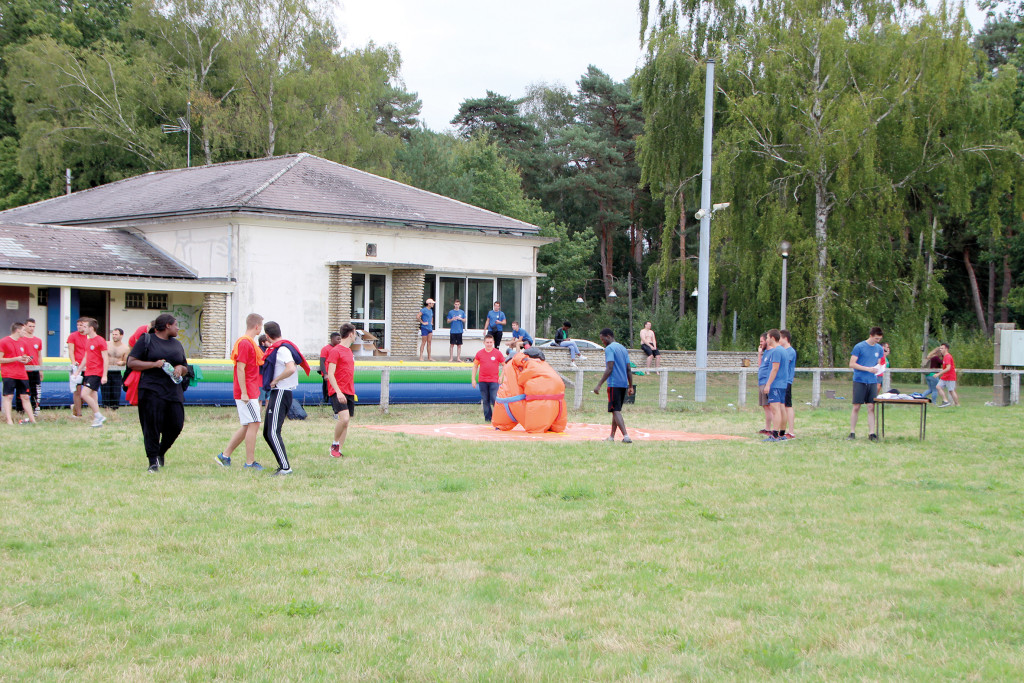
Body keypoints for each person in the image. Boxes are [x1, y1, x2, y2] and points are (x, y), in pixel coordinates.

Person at [127, 313, 188, 472]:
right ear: (167, 325)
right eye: (175, 325)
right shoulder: (146, 340)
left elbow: (185, 366)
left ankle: (160, 452)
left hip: (173, 390)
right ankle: (152, 461)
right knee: (152, 426)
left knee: (176, 424)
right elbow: (131, 362)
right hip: (151, 390)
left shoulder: (177, 344)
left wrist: (180, 369)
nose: (178, 328)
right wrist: (154, 364)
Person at [216, 313, 265, 470]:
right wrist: (244, 392)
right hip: (247, 392)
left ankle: (225, 456)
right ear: (256, 326)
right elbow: (241, 368)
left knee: (247, 425)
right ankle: (249, 463)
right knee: (254, 423)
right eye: (261, 326)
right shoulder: (245, 343)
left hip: (250, 390)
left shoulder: (249, 342)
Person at [261, 321, 310, 476]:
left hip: (281, 392)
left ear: (267, 336)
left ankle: (285, 468)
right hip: (279, 393)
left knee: (273, 432)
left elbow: (290, 368)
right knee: (267, 432)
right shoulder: (283, 347)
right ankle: (282, 465)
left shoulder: (282, 349)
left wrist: (275, 381)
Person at [593, 328, 634, 443]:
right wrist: (630, 386)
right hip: (623, 384)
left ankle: (626, 436)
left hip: (614, 383)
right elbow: (628, 369)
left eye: (603, 339)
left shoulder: (609, 349)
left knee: (615, 410)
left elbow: (609, 367)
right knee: (616, 410)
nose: (603, 342)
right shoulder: (623, 348)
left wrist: (599, 384)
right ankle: (611, 437)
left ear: (608, 336)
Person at [848, 326, 885, 441]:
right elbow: (852, 364)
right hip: (860, 380)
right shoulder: (859, 347)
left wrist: (878, 369)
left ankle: (871, 433)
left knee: (871, 406)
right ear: (871, 336)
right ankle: (852, 432)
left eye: (879, 339)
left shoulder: (879, 349)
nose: (877, 341)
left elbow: (878, 363)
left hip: (872, 381)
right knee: (856, 406)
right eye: (876, 338)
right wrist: (867, 369)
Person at [326, 323, 357, 457]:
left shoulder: (349, 351)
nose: (355, 336)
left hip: (349, 390)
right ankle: (334, 444)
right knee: (343, 419)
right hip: (338, 390)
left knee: (347, 421)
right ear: (351, 334)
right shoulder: (335, 351)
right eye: (355, 333)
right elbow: (330, 373)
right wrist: (338, 391)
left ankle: (338, 450)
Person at [0, 322, 36, 425]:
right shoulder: (4, 341)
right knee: (9, 397)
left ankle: (33, 420)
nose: (26, 332)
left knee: (25, 397)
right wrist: (16, 359)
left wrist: (25, 359)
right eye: (24, 330)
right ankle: (9, 420)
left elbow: (22, 356)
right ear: (18, 330)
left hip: (21, 374)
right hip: (8, 374)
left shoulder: (22, 343)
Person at [78, 319, 109, 428]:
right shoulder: (88, 341)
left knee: (84, 394)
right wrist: (78, 370)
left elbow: (106, 359)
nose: (83, 329)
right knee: (93, 397)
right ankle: (97, 421)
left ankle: (98, 415)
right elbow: (86, 357)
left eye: (85, 326)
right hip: (88, 372)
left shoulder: (100, 340)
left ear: (91, 328)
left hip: (96, 372)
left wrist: (104, 375)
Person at [760, 329, 787, 441]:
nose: (766, 340)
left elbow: (775, 369)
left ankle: (775, 435)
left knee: (775, 409)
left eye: (767, 337)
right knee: (781, 409)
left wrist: (768, 385)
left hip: (776, 384)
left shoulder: (776, 351)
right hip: (782, 384)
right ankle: (782, 434)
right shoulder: (783, 350)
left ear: (772, 338)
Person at [472, 334, 503, 421]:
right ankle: (488, 418)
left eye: (490, 342)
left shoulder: (497, 353)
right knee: (485, 400)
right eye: (487, 342)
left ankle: (497, 418)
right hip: (482, 380)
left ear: (493, 342)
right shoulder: (479, 353)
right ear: (484, 343)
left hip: (494, 380)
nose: (489, 344)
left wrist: (501, 376)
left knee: (494, 399)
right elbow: (475, 366)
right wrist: (473, 379)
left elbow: (505, 365)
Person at [66, 317, 89, 417]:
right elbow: (71, 350)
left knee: (89, 389)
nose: (79, 327)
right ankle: (78, 414)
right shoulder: (72, 336)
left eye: (82, 325)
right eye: (78, 325)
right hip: (77, 366)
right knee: (77, 390)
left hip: (88, 366)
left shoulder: (89, 336)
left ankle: (76, 406)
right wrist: (73, 361)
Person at [102, 328, 129, 410]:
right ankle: (106, 408)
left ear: (121, 335)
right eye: (113, 334)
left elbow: (125, 361)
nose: (114, 336)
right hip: (106, 371)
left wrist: (122, 362)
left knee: (115, 392)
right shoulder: (106, 344)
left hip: (116, 372)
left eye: (116, 334)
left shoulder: (125, 348)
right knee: (105, 391)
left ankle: (114, 409)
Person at [22, 318, 43, 417]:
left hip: (35, 369)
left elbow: (39, 355)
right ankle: (21, 411)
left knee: (35, 391)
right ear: (25, 326)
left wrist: (40, 369)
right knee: (23, 391)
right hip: (24, 369)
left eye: (33, 326)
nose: (32, 328)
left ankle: (35, 409)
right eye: (30, 326)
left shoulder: (38, 340)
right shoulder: (21, 339)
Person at [780, 329, 797, 438]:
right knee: (782, 406)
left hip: (787, 381)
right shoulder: (782, 350)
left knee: (788, 406)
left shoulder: (790, 351)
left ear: (785, 339)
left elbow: (784, 364)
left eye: (780, 338)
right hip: (781, 381)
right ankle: (783, 429)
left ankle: (791, 431)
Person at [755, 333, 773, 435]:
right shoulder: (765, 352)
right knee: (765, 406)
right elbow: (760, 365)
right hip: (761, 382)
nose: (760, 344)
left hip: (766, 382)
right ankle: (767, 428)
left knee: (770, 406)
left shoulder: (772, 352)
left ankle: (773, 430)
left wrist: (768, 384)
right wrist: (760, 354)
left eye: (762, 341)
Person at [319, 332, 341, 403]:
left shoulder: (339, 349)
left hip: (336, 373)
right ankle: (325, 401)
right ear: (332, 339)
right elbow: (322, 362)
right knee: (326, 388)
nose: (339, 341)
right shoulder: (325, 349)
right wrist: (325, 373)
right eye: (337, 339)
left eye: (340, 339)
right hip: (328, 373)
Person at [936, 342, 960, 407]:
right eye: (940, 348)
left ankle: (957, 404)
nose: (940, 349)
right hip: (945, 376)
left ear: (946, 349)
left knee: (951, 391)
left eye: (942, 348)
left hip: (950, 376)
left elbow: (948, 368)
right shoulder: (944, 357)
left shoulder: (948, 357)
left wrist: (939, 374)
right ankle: (945, 401)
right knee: (938, 386)